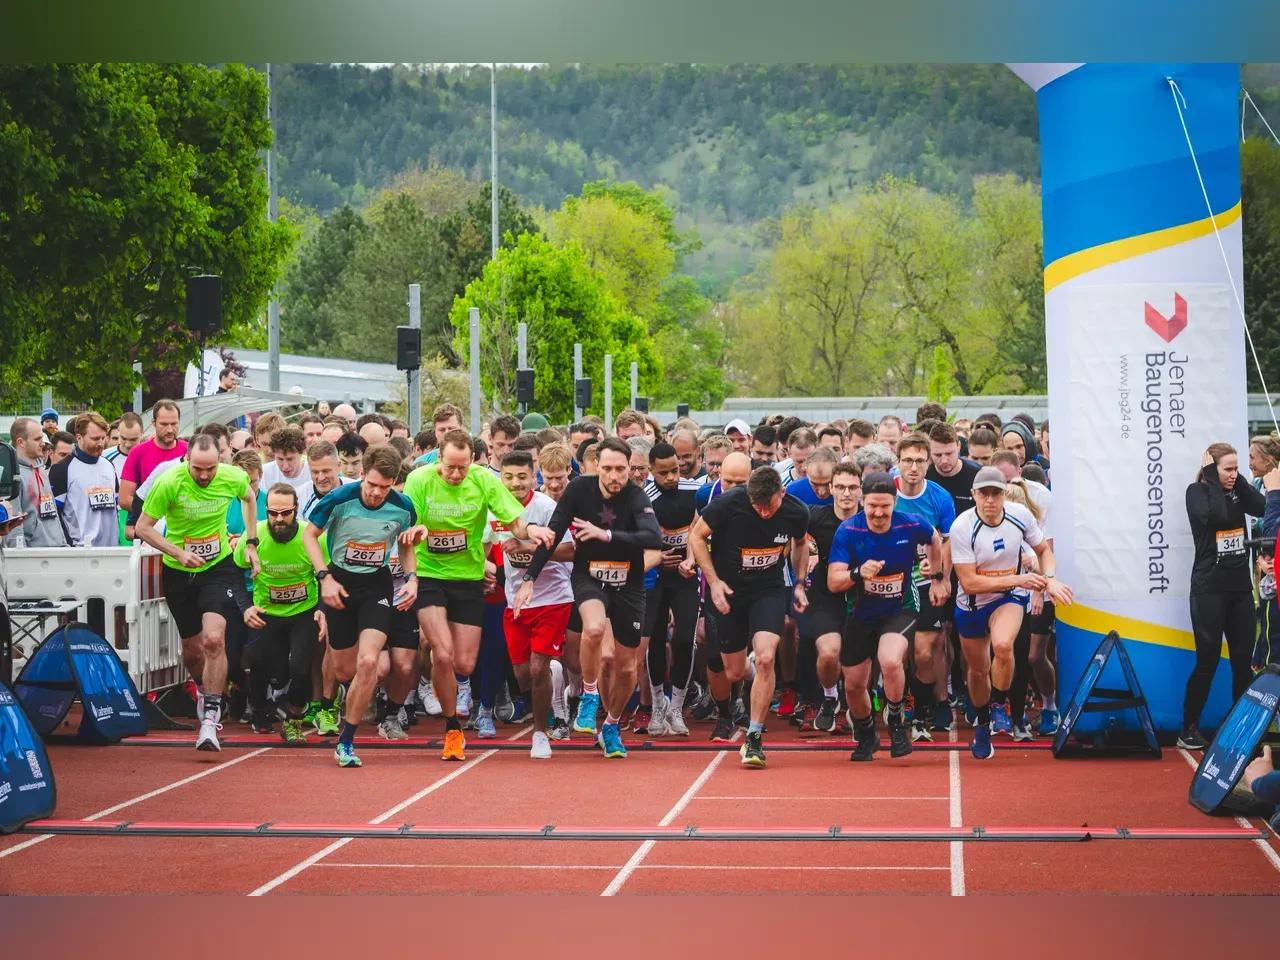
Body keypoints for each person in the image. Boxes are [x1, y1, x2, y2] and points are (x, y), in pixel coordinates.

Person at [403, 430, 553, 761]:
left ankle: (444, 683)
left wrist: (532, 530)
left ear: (472, 460)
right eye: (449, 467)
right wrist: (416, 531)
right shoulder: (419, 479)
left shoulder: (484, 480)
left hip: (468, 578)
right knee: (442, 653)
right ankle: (452, 729)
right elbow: (407, 524)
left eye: (462, 467)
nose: (455, 475)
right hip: (429, 575)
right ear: (439, 457)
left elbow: (513, 520)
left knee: (464, 663)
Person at [514, 437, 661, 759]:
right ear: (595, 467)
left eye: (620, 469)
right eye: (607, 468)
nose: (613, 476)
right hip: (589, 577)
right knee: (593, 628)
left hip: (629, 582)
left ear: (629, 469)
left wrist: (606, 534)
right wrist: (528, 579)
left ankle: (610, 725)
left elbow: (654, 538)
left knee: (626, 668)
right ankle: (590, 694)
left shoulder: (636, 497)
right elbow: (550, 537)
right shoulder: (580, 491)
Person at [135, 435, 259, 752]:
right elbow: (142, 528)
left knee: (214, 639)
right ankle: (204, 690)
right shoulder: (169, 482)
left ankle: (211, 716)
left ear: (220, 462)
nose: (204, 476)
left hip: (218, 566)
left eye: (211, 469)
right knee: (192, 650)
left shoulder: (233, 476)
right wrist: (178, 553)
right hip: (179, 570)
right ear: (187, 461)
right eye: (198, 469)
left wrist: (251, 541)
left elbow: (250, 497)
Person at [304, 444, 419, 768]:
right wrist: (324, 577)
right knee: (345, 670)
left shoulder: (403, 507)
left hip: (375, 586)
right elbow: (310, 536)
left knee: (369, 662)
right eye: (371, 485)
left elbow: (406, 545)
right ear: (361, 474)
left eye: (384, 487)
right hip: (340, 582)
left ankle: (347, 741)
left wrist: (411, 578)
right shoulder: (339, 499)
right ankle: (343, 696)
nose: (376, 493)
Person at [689, 465, 810, 768]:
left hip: (767, 591)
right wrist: (714, 581)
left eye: (769, 506)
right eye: (757, 506)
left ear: (782, 493)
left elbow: (800, 545)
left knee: (768, 656)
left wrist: (798, 582)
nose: (763, 512)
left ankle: (754, 737)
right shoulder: (729, 503)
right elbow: (696, 537)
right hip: (729, 590)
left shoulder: (796, 511)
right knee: (733, 672)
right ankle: (753, 678)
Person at [951, 466, 1072, 760]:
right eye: (984, 494)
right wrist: (1019, 578)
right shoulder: (962, 527)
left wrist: (1050, 578)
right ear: (974, 495)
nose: (990, 500)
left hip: (1008, 598)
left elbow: (1043, 550)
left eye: (996, 493)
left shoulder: (1020, 515)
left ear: (1005, 494)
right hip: (972, 603)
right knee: (977, 670)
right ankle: (981, 722)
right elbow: (970, 582)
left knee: (1004, 646)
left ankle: (998, 704)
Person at [827, 472, 948, 760]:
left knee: (891, 660)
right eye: (872, 507)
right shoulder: (848, 531)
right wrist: (858, 573)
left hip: (901, 607)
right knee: (855, 684)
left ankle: (896, 721)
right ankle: (868, 735)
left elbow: (935, 538)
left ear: (895, 503)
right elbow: (833, 581)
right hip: (860, 613)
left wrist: (937, 573)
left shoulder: (911, 523)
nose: (879, 513)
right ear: (862, 502)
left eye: (885, 507)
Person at [1181, 444, 1280, 749]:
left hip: (1239, 588)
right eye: (1227, 469)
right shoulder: (1197, 491)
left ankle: (1244, 728)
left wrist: (1240, 484)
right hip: (1209, 589)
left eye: (1237, 468)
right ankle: (1188, 729)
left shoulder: (1239, 489)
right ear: (1211, 469)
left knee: (1242, 661)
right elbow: (1220, 515)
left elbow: (1262, 507)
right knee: (1208, 660)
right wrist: (1213, 477)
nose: (1234, 474)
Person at [491, 450, 574, 758]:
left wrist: (528, 545)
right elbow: (485, 543)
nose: (515, 484)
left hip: (552, 598)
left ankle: (541, 733)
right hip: (515, 601)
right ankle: (553, 688)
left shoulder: (547, 507)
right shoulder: (496, 509)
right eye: (508, 477)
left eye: (522, 477)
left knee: (538, 668)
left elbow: (570, 551)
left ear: (534, 476)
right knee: (523, 673)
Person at [235, 483, 324, 744]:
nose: (279, 519)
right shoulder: (254, 535)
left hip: (303, 612)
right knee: (260, 661)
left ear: (296, 510)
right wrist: (246, 607)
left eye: (285, 513)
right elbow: (233, 572)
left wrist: (322, 610)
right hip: (267, 612)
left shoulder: (310, 536)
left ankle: (294, 720)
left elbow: (327, 574)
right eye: (273, 513)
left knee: (299, 667)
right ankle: (259, 710)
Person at [890, 433, 956, 741]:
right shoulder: (886, 492)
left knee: (926, 652)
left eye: (919, 461)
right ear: (898, 462)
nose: (913, 467)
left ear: (928, 463)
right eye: (907, 461)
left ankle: (922, 711)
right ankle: (898, 705)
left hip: (927, 581)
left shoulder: (940, 497)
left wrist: (941, 578)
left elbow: (948, 542)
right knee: (897, 652)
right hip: (892, 584)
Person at [643, 442, 703, 737]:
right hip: (655, 576)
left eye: (675, 470)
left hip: (685, 575)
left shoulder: (694, 490)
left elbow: (702, 528)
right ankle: (657, 705)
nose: (670, 477)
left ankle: (677, 707)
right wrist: (658, 557)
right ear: (651, 470)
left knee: (683, 639)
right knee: (654, 640)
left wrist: (691, 559)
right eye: (663, 472)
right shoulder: (643, 496)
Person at [801, 461, 862, 733]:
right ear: (831, 489)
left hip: (864, 596)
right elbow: (793, 538)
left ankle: (860, 705)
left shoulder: (874, 517)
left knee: (859, 662)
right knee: (828, 654)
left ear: (861, 491)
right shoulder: (815, 516)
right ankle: (829, 697)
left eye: (852, 488)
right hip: (825, 595)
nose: (846, 493)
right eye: (840, 487)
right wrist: (806, 561)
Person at [49, 412, 119, 547]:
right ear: (79, 437)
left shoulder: (109, 466)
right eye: (95, 438)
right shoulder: (62, 469)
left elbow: (115, 507)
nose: (100, 443)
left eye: (103, 438)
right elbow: (55, 515)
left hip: (111, 550)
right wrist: (69, 545)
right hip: (80, 550)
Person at [4, 418, 67, 548]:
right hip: (33, 557)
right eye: (37, 439)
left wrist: (63, 544)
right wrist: (21, 557)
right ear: (21, 442)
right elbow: (13, 524)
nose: (43, 443)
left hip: (56, 553)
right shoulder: (13, 476)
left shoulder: (42, 470)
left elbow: (53, 514)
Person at [119, 400, 186, 512]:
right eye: (164, 424)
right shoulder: (138, 452)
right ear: (153, 423)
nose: (170, 429)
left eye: (174, 424)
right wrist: (156, 514)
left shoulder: (189, 451)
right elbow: (125, 500)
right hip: (149, 524)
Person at [261, 425, 312, 493]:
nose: (285, 466)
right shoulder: (264, 473)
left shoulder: (312, 472)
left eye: (290, 459)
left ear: (301, 453)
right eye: (280, 459)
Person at [103, 412, 143, 478]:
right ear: (118, 432)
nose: (128, 444)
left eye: (133, 440)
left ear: (142, 434)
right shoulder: (105, 457)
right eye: (123, 438)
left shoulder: (151, 456)